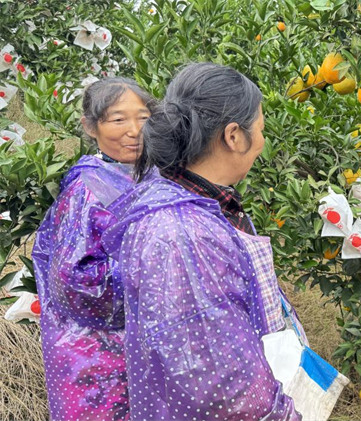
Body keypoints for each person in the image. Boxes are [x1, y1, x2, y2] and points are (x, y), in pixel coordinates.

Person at [101, 63, 302, 420]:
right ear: (234, 136)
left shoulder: (188, 197)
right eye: (261, 129)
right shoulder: (184, 236)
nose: (263, 141)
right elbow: (225, 387)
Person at [32, 78, 154, 421]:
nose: (134, 130)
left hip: (144, 348)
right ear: (91, 127)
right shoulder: (88, 188)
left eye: (143, 118)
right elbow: (74, 282)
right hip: (99, 358)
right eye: (118, 120)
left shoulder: (153, 176)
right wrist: (150, 272)